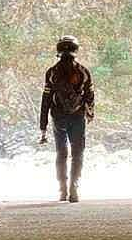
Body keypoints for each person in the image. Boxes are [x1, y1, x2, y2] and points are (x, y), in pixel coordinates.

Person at [39, 35, 94, 202]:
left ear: (58, 51)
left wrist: (43, 125)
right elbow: (90, 96)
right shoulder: (83, 71)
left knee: (61, 152)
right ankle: (74, 188)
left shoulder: (52, 72)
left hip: (58, 118)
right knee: (78, 152)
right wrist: (89, 114)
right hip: (77, 117)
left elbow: (46, 99)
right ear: (75, 51)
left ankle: (62, 189)